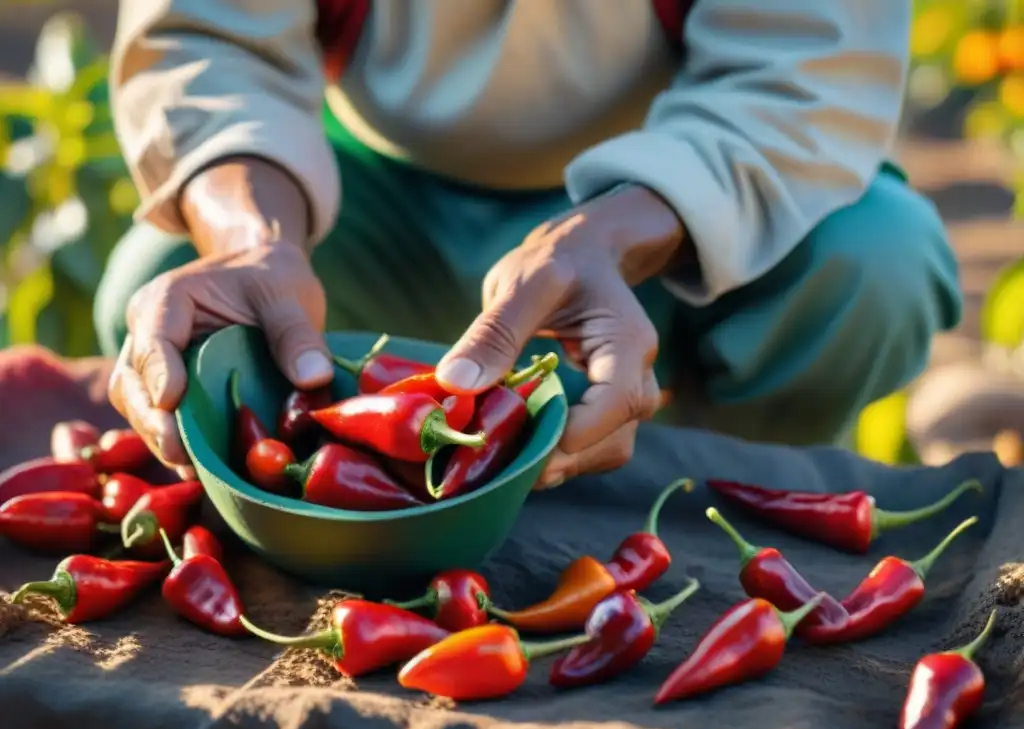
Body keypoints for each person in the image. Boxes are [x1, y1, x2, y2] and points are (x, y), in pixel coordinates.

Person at [98, 0, 961, 488]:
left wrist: (619, 232)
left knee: (873, 262)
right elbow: (205, 36)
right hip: (375, 197)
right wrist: (255, 238)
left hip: (666, 201)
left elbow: (804, 68)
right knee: (173, 283)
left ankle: (731, 493)